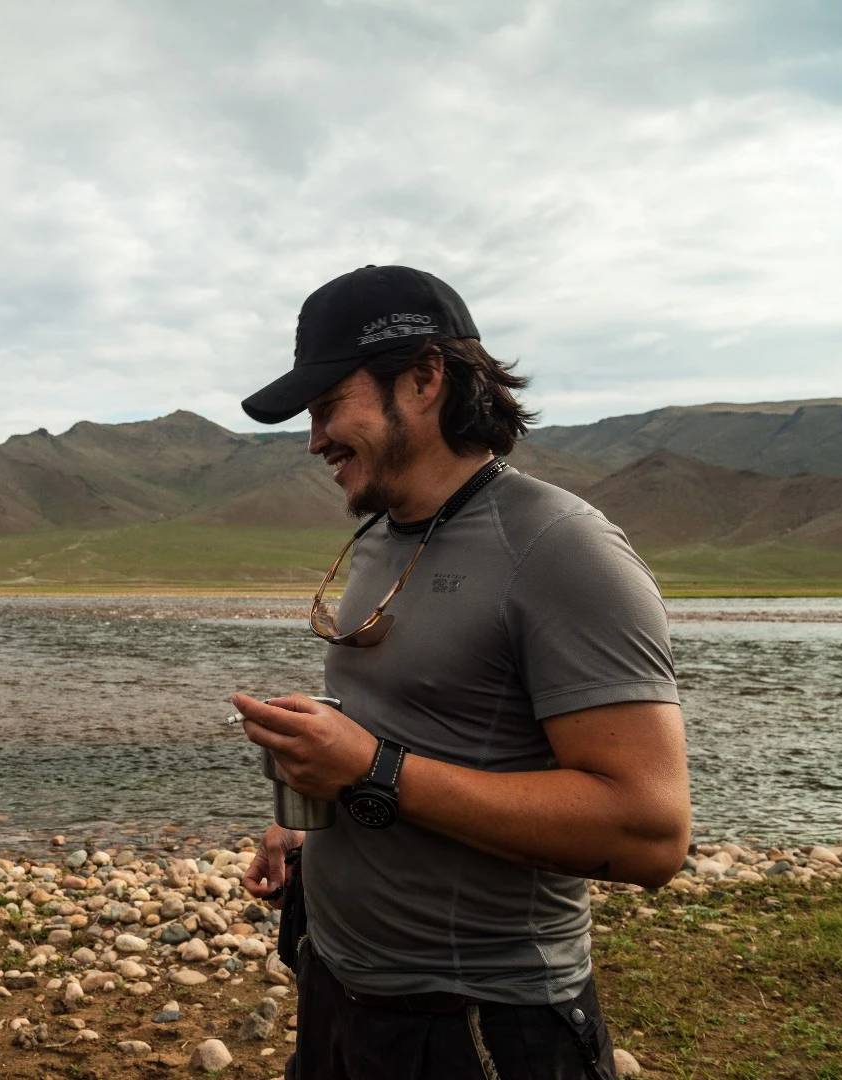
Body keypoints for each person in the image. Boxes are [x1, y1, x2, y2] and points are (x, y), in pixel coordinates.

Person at [233, 266, 690, 1080]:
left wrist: (369, 769)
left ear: (423, 378)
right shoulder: (382, 536)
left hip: (482, 1027)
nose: (313, 439)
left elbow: (649, 831)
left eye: (329, 404)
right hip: (340, 990)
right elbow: (425, 728)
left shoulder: (561, 550)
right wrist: (308, 815)